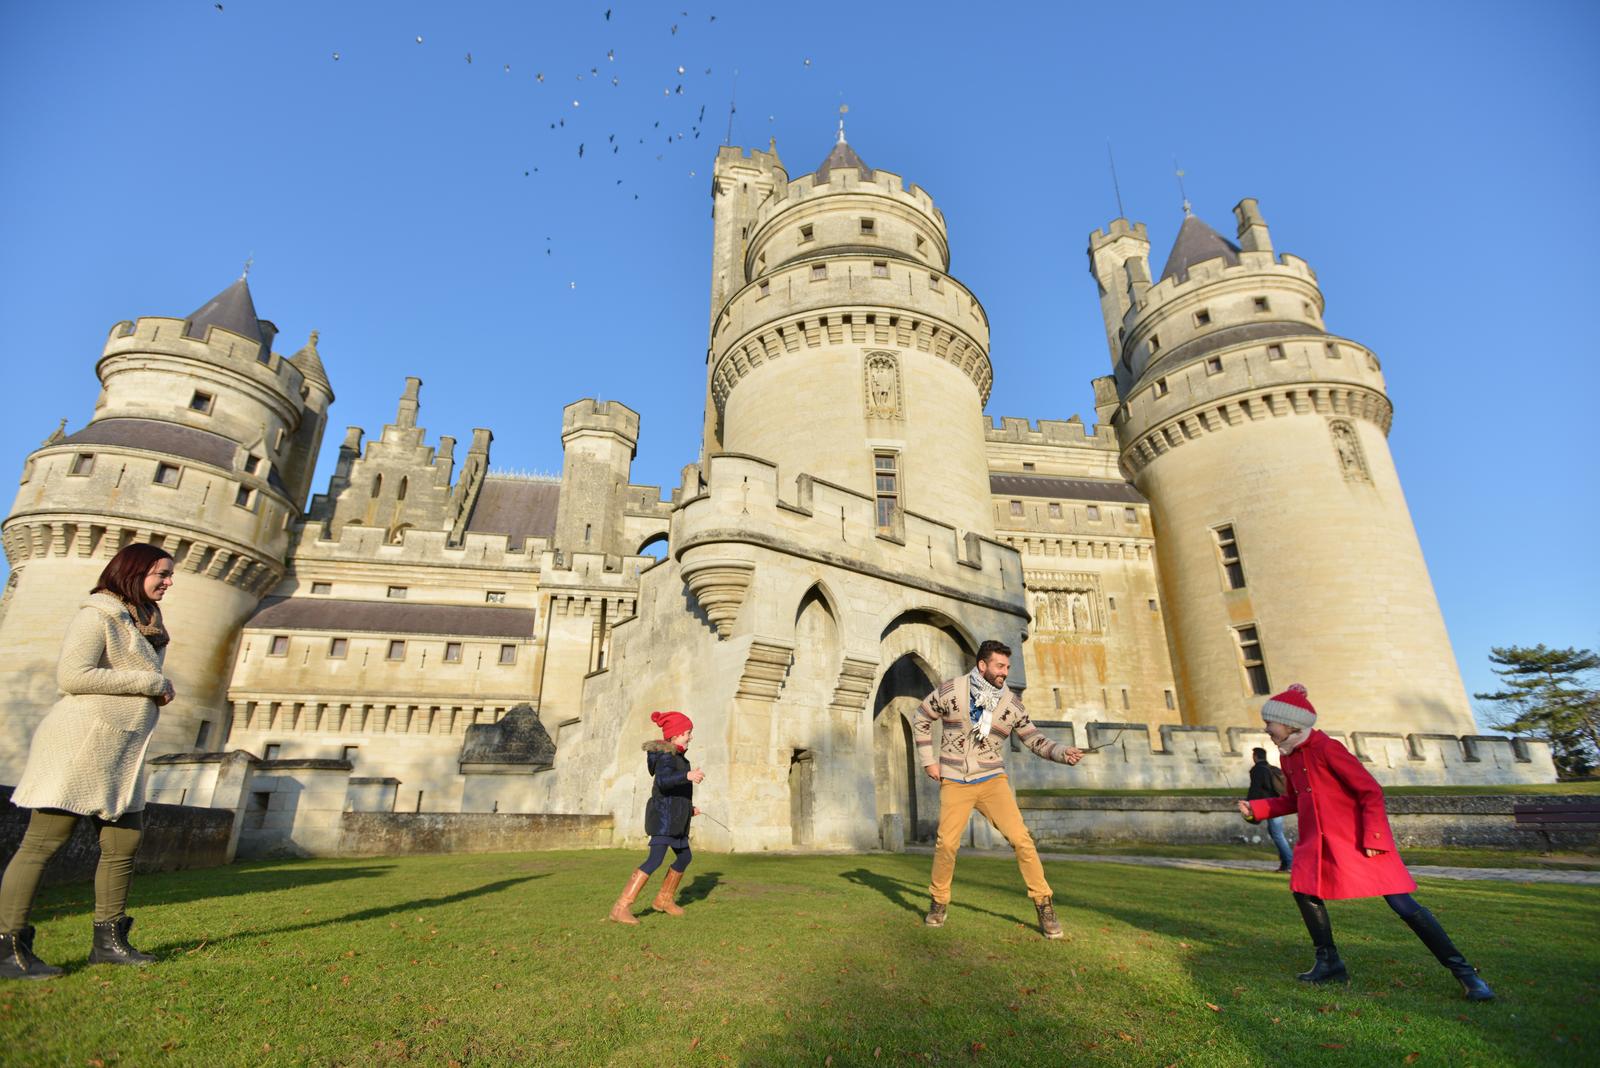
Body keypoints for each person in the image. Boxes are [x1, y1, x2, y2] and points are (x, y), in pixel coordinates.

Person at [1236, 684, 1494, 1000]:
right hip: (1317, 843)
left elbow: (1370, 791)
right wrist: (1257, 809)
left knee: (1403, 904)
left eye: (1270, 722)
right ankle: (1328, 962)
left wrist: (1374, 836)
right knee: (1303, 891)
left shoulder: (1328, 749)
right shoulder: (1288, 756)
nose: (1266, 729)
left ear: (1291, 724)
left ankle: (1467, 974)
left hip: (1358, 839)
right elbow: (1293, 800)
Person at [0, 543, 177, 979]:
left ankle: (109, 943)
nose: (169, 582)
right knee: (43, 843)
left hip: (123, 751)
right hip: (82, 744)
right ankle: (8, 947)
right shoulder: (97, 614)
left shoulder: (149, 624)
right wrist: (150, 679)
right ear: (133, 573)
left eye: (170, 575)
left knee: (123, 844)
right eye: (161, 574)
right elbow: (73, 675)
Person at [914, 640, 1083, 940]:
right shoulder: (952, 690)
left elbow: (1034, 739)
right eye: (1000, 666)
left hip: (992, 780)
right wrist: (929, 762)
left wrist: (1061, 753)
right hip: (954, 779)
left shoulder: (1012, 705)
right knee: (947, 845)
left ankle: (1044, 905)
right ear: (983, 665)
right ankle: (939, 901)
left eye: (1007, 666)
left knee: (1022, 840)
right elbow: (922, 717)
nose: (1005, 672)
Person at [607, 710, 704, 925]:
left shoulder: (679, 758)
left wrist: (689, 809)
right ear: (676, 734)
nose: (690, 736)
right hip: (663, 820)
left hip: (676, 819)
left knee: (685, 857)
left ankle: (663, 899)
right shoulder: (665, 756)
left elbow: (674, 792)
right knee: (655, 860)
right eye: (687, 732)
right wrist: (687, 776)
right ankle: (620, 907)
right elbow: (663, 781)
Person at [1247, 746, 1294, 872]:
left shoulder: (1257, 770)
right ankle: (1285, 863)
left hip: (1268, 806)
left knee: (1277, 834)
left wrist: (1250, 804)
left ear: (1255, 756)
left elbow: (1255, 789)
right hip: (1277, 803)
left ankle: (1290, 862)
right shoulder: (1272, 769)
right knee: (1275, 833)